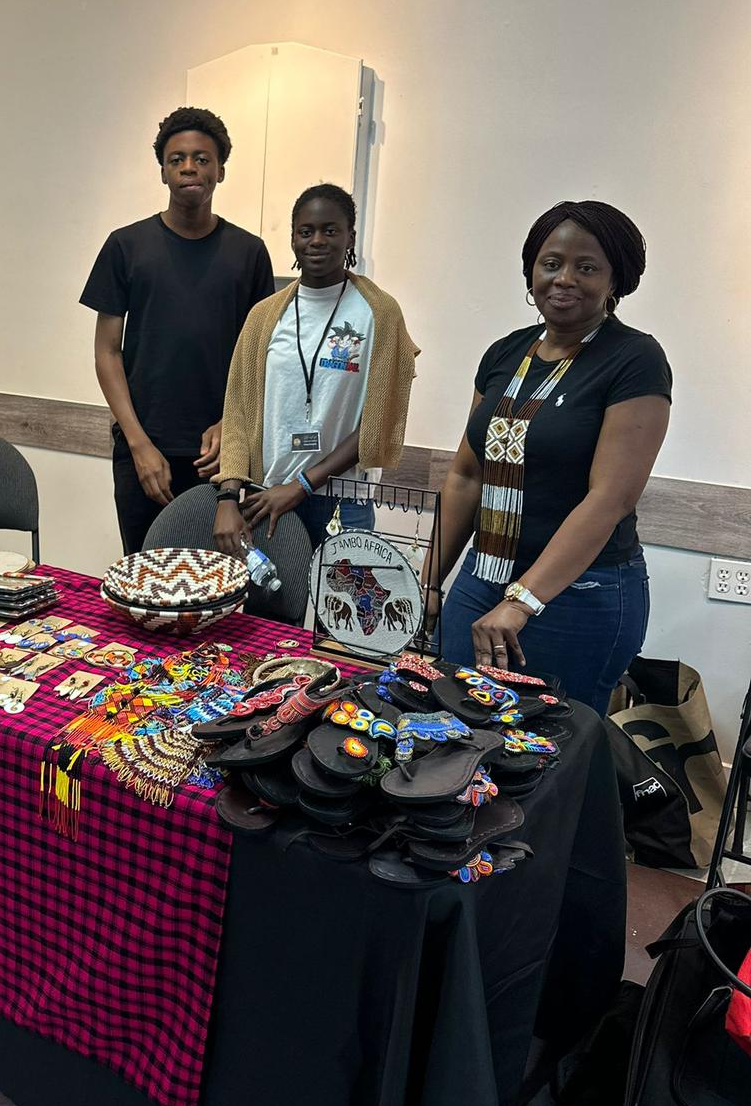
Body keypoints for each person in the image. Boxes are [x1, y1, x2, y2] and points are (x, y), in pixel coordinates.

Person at [422, 200, 671, 716]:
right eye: (551, 263)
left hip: (579, 594)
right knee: (450, 725)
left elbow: (610, 499)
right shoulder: (504, 353)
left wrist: (522, 601)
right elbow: (467, 475)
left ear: (615, 280)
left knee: (549, 745)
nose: (564, 279)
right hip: (483, 576)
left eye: (587, 267)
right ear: (531, 270)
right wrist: (426, 583)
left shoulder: (635, 359)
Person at [81, 106, 276, 553]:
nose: (189, 167)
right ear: (163, 172)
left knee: (221, 579)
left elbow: (262, 356)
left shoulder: (249, 253)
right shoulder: (126, 246)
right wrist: (139, 445)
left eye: (202, 159)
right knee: (145, 575)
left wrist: (232, 424)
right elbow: (107, 352)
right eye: (177, 159)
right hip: (143, 451)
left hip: (222, 456)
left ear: (220, 170)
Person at [213, 184, 418, 553]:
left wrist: (303, 485)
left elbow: (379, 422)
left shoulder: (379, 314)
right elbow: (238, 413)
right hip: (267, 497)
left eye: (330, 230)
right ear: (293, 239)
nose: (317, 241)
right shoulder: (263, 317)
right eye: (306, 231)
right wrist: (228, 496)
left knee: (341, 594)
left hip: (343, 501)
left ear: (350, 237)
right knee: (271, 593)